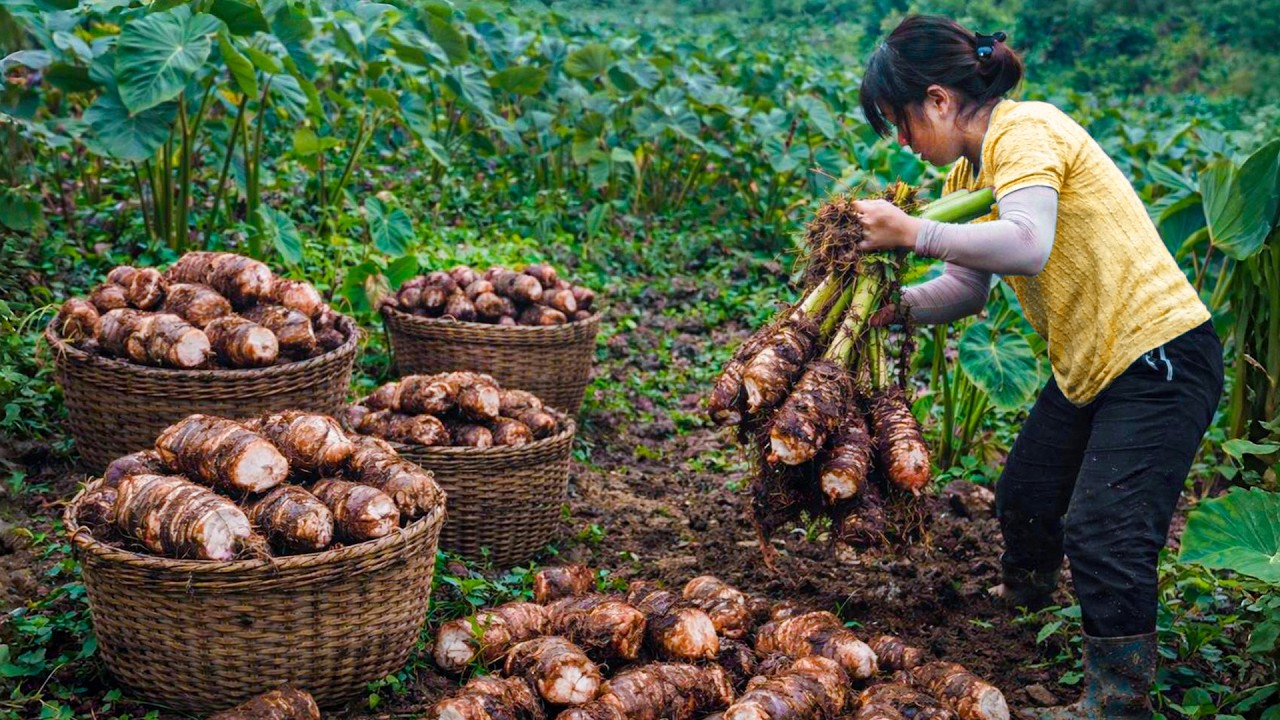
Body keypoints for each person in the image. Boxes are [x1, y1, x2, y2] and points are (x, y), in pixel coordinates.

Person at [852, 16, 1224, 720]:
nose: (904, 143)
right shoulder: (971, 169)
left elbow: (1026, 243)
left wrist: (913, 232)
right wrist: (889, 309)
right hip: (1094, 359)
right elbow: (966, 289)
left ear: (937, 99)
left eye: (902, 123)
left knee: (1105, 530)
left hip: (1159, 354)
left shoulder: (1026, 132)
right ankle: (1026, 613)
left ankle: (1117, 699)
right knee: (1024, 492)